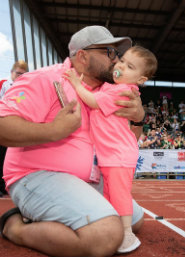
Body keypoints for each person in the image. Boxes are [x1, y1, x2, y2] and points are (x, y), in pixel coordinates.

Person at [0, 25, 146, 257]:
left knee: (135, 220)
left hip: (86, 178)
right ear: (83, 56)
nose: (116, 60)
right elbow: (2, 126)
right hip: (36, 174)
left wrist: (138, 118)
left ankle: (60, 214)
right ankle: (14, 227)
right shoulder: (45, 79)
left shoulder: (110, 92)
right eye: (109, 52)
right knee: (106, 234)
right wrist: (53, 131)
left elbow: (125, 142)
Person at [63, 45, 157, 253]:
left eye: (130, 67)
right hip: (110, 155)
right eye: (122, 61)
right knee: (109, 193)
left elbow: (93, 101)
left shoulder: (123, 91)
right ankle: (117, 227)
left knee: (119, 194)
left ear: (140, 80)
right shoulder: (110, 86)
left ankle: (126, 234)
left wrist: (76, 84)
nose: (121, 67)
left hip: (119, 154)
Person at [0, 60, 28, 197]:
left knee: (9, 158)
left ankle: (7, 186)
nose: (20, 76)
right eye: (18, 73)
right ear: (11, 72)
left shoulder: (25, 89)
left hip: (16, 128)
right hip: (3, 126)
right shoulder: (3, 85)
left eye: (23, 74)